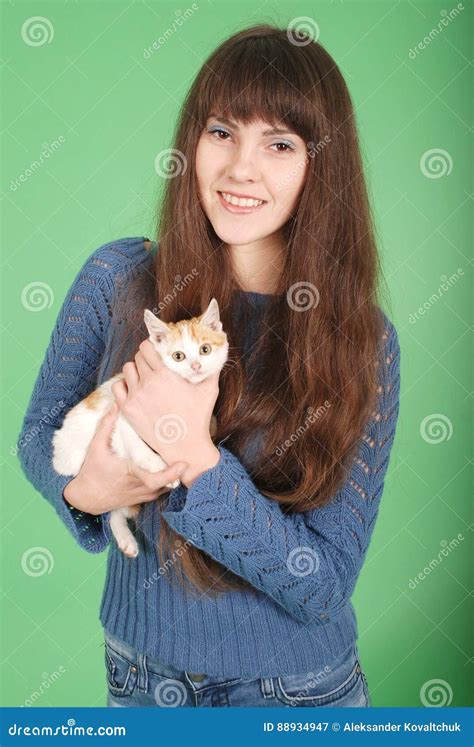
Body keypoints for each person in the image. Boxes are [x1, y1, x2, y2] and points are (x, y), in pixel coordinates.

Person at [17, 24, 400, 708]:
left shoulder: (362, 339)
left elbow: (322, 585)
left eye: (279, 143)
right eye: (222, 131)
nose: (239, 169)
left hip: (297, 694)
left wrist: (192, 454)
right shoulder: (119, 277)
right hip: (139, 677)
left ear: (322, 165)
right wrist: (86, 491)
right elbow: (38, 433)